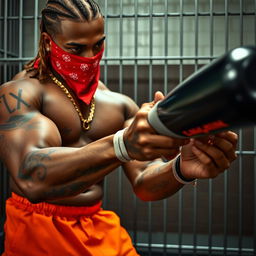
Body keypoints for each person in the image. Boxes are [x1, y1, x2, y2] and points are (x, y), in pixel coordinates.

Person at [0, 0, 237, 255]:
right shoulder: (21, 94)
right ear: (48, 42)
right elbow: (31, 177)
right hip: (37, 229)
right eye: (76, 48)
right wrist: (121, 145)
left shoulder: (117, 104)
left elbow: (144, 181)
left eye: (98, 44)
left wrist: (181, 168)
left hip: (97, 225)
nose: (90, 58)